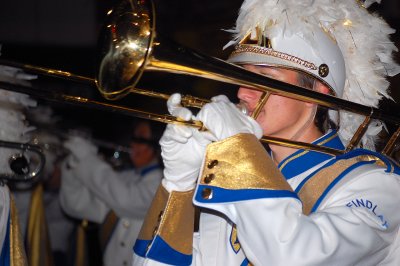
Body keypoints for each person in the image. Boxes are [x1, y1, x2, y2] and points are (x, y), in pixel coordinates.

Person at [132, 0, 400, 265]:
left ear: (316, 93)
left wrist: (238, 147)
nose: (242, 92)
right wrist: (177, 184)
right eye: (244, 77)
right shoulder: (235, 179)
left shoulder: (376, 184)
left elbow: (292, 257)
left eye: (264, 78)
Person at [59, 120, 163, 266]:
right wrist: (74, 163)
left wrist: (88, 159)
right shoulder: (127, 177)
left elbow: (127, 201)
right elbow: (77, 206)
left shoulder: (165, 184)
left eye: (140, 139)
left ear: (158, 144)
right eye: (133, 139)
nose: (133, 145)